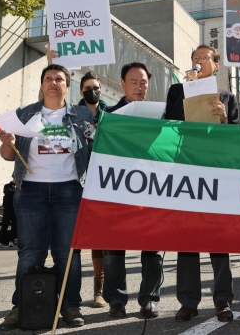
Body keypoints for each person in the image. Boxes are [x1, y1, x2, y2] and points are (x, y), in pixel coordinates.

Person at [0, 64, 92, 331]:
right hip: (30, 191)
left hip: (70, 190)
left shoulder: (83, 115)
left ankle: (70, 306)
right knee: (30, 253)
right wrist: (7, 142)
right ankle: (21, 307)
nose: (53, 82)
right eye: (48, 78)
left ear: (67, 86)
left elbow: (98, 147)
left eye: (59, 79)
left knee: (68, 253)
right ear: (41, 84)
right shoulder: (23, 114)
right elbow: (8, 155)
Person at [164, 45, 239, 322]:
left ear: (215, 66)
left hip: (215, 171)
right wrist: (186, 91)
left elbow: (236, 138)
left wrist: (223, 117)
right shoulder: (177, 90)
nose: (197, 62)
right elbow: (169, 121)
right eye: (194, 58)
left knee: (218, 238)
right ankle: (188, 300)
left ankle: (222, 300)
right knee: (187, 236)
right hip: (186, 168)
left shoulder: (228, 97)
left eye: (203, 59)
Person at [101, 62, 163, 320]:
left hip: (153, 187)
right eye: (133, 82)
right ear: (123, 83)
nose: (139, 87)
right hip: (118, 187)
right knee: (114, 246)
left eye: (143, 83)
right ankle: (116, 300)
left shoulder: (162, 115)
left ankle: (149, 299)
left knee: (153, 246)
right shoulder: (108, 115)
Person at [74, 71, 110, 308]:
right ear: (81, 91)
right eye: (88, 87)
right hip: (77, 181)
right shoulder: (72, 115)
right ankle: (69, 296)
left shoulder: (111, 116)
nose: (92, 91)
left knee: (99, 240)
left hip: (103, 183)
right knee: (73, 239)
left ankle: (99, 290)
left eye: (96, 87)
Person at [0, 180, 16, 248]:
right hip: (8, 208)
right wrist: (18, 192)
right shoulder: (7, 186)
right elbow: (9, 192)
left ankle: (11, 241)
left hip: (15, 209)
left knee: (14, 226)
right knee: (4, 225)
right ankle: (0, 241)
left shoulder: (18, 187)